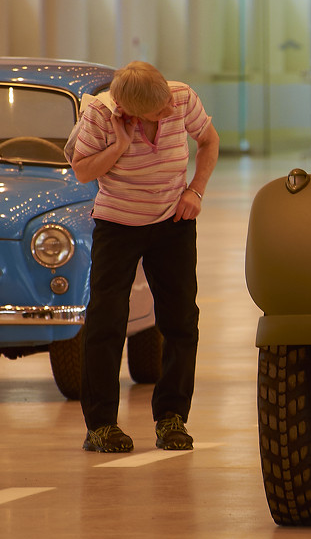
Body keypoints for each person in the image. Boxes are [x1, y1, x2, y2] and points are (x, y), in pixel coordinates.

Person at [72, 61, 219, 452]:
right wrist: (119, 146)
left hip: (173, 221)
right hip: (118, 224)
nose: (170, 112)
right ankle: (101, 425)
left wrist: (196, 191)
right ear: (130, 111)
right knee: (106, 321)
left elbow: (209, 141)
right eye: (158, 112)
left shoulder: (181, 97)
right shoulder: (100, 116)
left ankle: (172, 417)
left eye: (167, 103)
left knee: (181, 321)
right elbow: (82, 170)